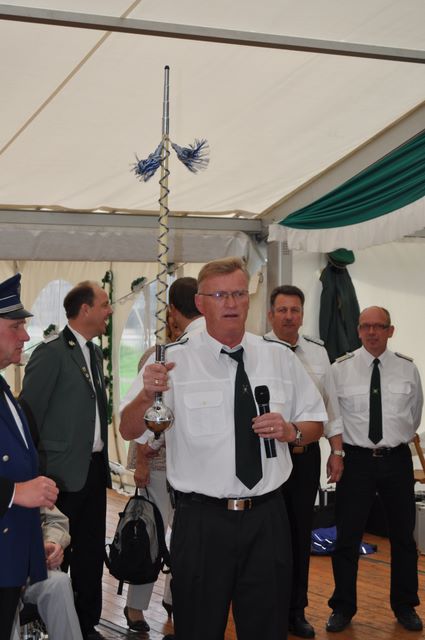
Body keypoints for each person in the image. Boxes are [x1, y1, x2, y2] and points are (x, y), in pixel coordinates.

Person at [119, 257, 326, 640]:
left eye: (238, 294)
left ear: (249, 299)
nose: (231, 303)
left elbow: (316, 422)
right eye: (219, 295)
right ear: (201, 303)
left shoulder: (278, 356)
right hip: (202, 521)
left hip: (267, 517)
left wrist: (291, 430)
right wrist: (147, 395)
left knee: (267, 628)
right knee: (198, 627)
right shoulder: (172, 360)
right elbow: (129, 429)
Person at [20, 281, 113, 640]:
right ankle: (54, 624)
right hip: (59, 473)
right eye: (104, 304)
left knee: (91, 552)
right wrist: (34, 473)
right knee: (59, 551)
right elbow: (29, 415)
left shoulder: (95, 353)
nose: (109, 310)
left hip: (93, 469)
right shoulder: (53, 352)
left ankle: (86, 625)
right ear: (85, 309)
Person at [326, 306, 423, 633]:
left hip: (396, 460)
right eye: (365, 326)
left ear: (390, 331)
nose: (371, 332)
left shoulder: (408, 369)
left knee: (404, 537)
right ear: (358, 330)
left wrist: (394, 439)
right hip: (356, 461)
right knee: (347, 537)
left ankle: (405, 605)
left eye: (379, 326)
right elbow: (333, 417)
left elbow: (414, 415)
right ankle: (342, 607)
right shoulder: (340, 369)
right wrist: (337, 453)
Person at [123, 277, 204, 631]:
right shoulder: (158, 357)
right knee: (151, 533)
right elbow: (141, 420)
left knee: (183, 537)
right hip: (156, 462)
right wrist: (141, 463)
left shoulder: (201, 356)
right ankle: (136, 606)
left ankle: (174, 598)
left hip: (190, 465)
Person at [266, 284, 344, 639]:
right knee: (268, 536)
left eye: (294, 310)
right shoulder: (258, 351)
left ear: (302, 314)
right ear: (271, 314)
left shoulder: (317, 351)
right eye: (282, 310)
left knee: (300, 534)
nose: (288, 316)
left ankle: (296, 611)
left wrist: (337, 451)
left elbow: (330, 405)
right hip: (269, 457)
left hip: (305, 457)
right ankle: (268, 608)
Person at [0, 273, 58, 639]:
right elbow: (17, 487)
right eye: (15, 327)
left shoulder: (4, 388)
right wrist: (14, 492)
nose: (25, 336)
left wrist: (34, 547)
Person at [10, 506, 83, 640]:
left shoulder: (23, 491)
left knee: (59, 583)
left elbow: (55, 520)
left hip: (23, 566)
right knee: (7, 595)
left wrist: (51, 541)